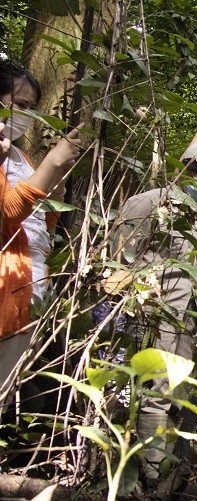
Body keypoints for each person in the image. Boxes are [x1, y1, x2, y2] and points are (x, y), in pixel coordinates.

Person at [114, 140, 197, 479]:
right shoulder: (148, 203)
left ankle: (162, 472)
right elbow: (122, 256)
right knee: (152, 392)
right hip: (154, 313)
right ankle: (149, 477)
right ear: (185, 170)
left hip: (188, 320)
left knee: (175, 397)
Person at [1, 58, 81, 404]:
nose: (26, 115)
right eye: (19, 105)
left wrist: (58, 177)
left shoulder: (19, 156)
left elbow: (40, 223)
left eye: (31, 108)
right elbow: (9, 212)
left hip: (29, 290)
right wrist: (51, 161)